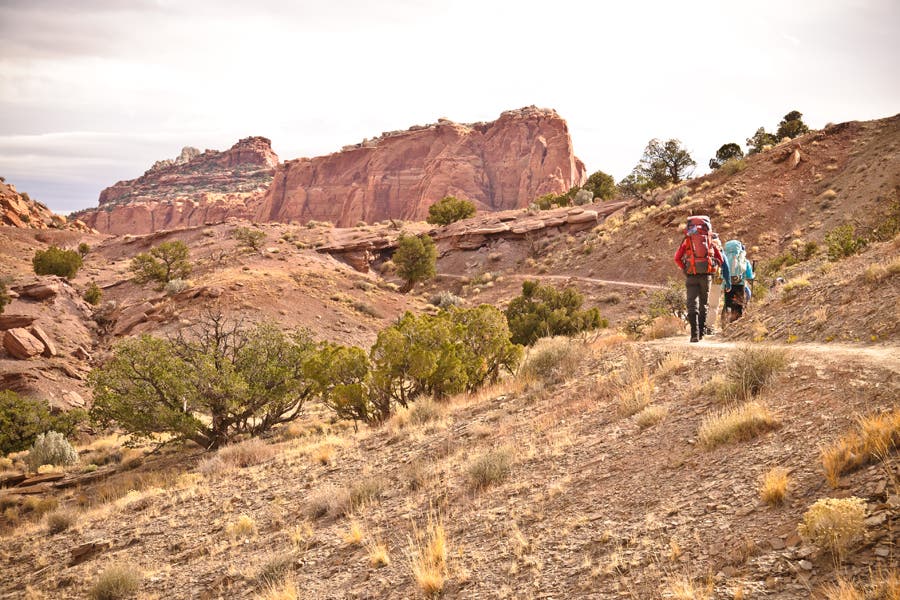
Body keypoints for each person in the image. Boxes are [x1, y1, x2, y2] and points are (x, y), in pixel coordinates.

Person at [673, 216, 728, 343]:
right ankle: (701, 333)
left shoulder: (687, 240)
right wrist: (713, 267)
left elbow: (677, 258)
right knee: (704, 303)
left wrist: (686, 269)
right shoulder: (709, 240)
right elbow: (721, 259)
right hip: (706, 275)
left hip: (691, 275)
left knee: (692, 304)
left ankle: (694, 335)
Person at [721, 239, 754, 323]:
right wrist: (752, 276)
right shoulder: (743, 260)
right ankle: (737, 322)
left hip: (727, 285)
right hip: (740, 284)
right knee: (739, 304)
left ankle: (726, 318)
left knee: (728, 302)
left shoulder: (724, 258)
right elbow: (749, 275)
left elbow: (721, 272)